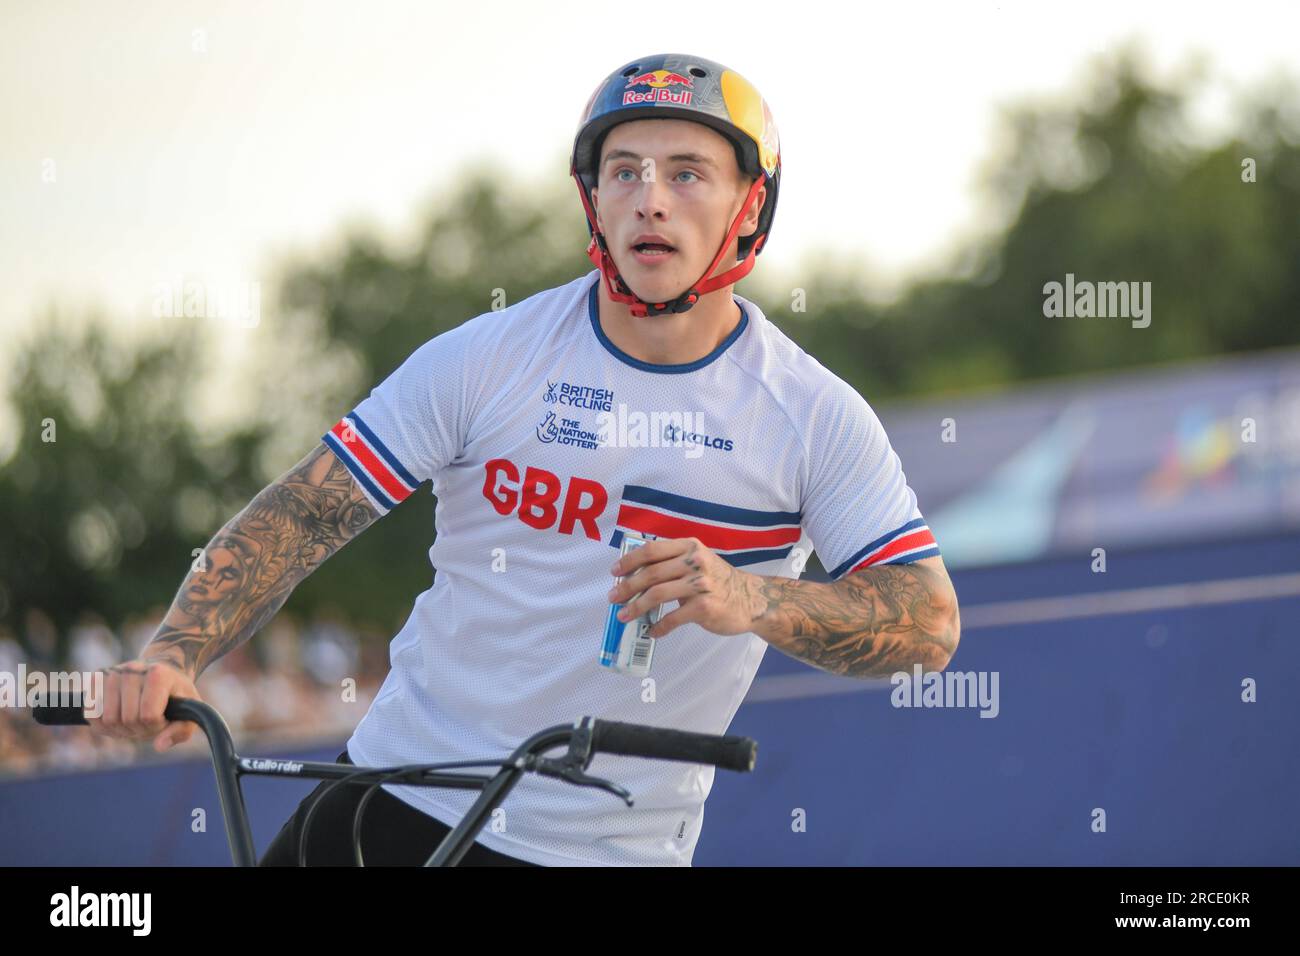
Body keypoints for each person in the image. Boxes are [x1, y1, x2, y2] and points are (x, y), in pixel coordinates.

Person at [86, 52, 961, 867]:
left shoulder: (813, 417)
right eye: (624, 172)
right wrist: (173, 651)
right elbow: (307, 511)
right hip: (392, 802)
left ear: (751, 207)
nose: (650, 200)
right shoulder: (488, 358)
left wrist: (750, 595)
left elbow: (927, 627)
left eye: (687, 173)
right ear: (593, 200)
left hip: (610, 849)